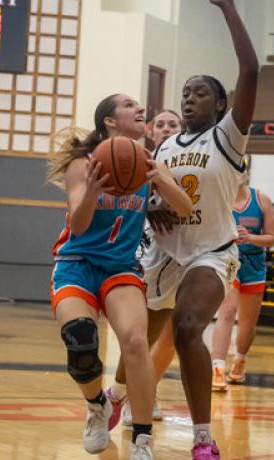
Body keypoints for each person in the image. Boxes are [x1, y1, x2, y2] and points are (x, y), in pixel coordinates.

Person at [109, 0, 258, 460]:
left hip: (211, 254)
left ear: (220, 104)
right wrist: (154, 208)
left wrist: (228, 8)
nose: (189, 99)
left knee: (189, 327)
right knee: (139, 339)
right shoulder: (166, 147)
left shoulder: (228, 137)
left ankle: (203, 441)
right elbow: (148, 200)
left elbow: (251, 68)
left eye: (200, 93)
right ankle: (116, 396)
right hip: (163, 255)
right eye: (185, 93)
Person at [47, 93, 192, 460]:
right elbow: (78, 225)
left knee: (135, 342)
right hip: (76, 264)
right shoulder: (85, 164)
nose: (139, 108)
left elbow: (185, 209)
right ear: (110, 121)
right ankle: (97, 406)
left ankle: (142, 443)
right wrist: (93, 191)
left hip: (121, 268)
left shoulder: (147, 163)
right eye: (129, 105)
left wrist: (160, 177)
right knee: (80, 338)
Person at [106, 109, 183, 427]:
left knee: (174, 339)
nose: (166, 129)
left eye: (173, 124)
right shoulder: (139, 159)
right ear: (152, 131)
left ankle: (143, 390)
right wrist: (151, 209)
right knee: (144, 336)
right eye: (161, 124)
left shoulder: (192, 158)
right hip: (152, 253)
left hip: (190, 253)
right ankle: (125, 393)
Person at [211, 162, 274, 392]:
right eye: (234, 169)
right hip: (229, 261)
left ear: (247, 174)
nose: (238, 174)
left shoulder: (262, 200)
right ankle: (217, 368)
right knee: (227, 312)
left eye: (242, 169)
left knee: (248, 324)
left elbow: (271, 238)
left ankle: (239, 360)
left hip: (254, 264)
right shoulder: (220, 199)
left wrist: (251, 238)